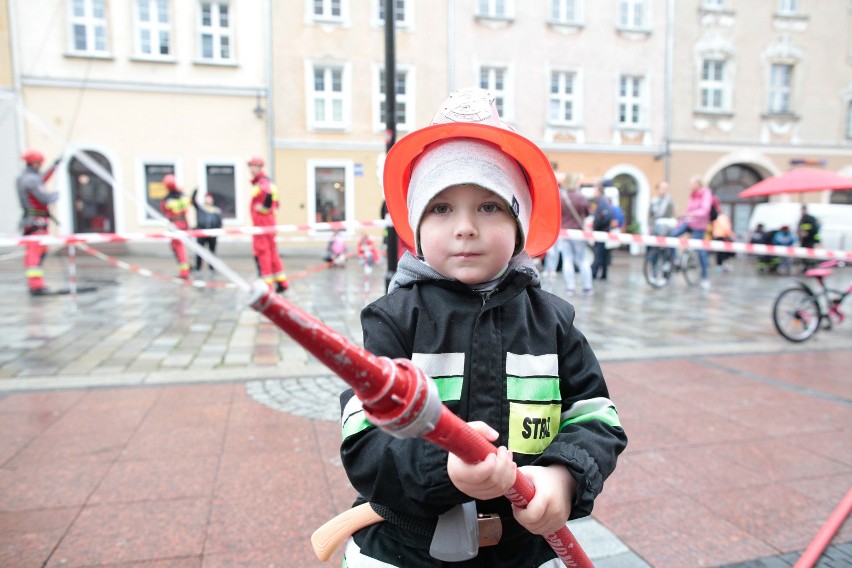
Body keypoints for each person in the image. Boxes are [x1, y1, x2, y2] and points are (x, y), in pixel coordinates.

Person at [339, 88, 627, 567]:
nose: (465, 227)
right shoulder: (392, 319)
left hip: (525, 552)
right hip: (405, 550)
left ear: (519, 223)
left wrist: (562, 475)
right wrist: (443, 469)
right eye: (441, 208)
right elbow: (364, 440)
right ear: (413, 223)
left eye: (490, 206)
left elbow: (596, 418)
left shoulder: (553, 320)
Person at [17, 150, 59, 296]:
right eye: (40, 163)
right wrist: (54, 195)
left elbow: (41, 179)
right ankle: (36, 285)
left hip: (35, 220)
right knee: (35, 254)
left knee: (39, 252)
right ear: (35, 163)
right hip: (36, 221)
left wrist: (54, 167)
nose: (41, 165)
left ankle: (37, 284)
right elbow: (43, 198)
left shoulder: (28, 177)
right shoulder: (30, 179)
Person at [545, 178, 593, 295]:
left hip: (565, 232)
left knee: (567, 260)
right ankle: (587, 287)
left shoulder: (561, 197)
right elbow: (588, 213)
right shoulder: (581, 197)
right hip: (578, 233)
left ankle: (570, 288)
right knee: (582, 260)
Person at [248, 156, 289, 292]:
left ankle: (267, 286)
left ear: (259, 167)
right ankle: (282, 282)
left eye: (253, 166)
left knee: (263, 253)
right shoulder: (267, 182)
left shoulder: (262, 183)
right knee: (272, 253)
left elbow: (269, 197)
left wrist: (263, 208)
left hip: (262, 225)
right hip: (268, 224)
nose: (251, 169)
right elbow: (277, 203)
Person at [669, 175, 713, 289]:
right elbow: (688, 209)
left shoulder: (705, 193)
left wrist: (692, 214)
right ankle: (676, 260)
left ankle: (705, 276)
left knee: (700, 249)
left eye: (692, 183)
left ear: (698, 184)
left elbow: (705, 210)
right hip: (689, 222)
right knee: (672, 236)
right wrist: (680, 222)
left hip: (699, 224)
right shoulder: (693, 194)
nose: (691, 186)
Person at [160, 174, 191, 280]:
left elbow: (164, 210)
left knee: (178, 247)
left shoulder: (167, 200)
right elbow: (187, 206)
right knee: (179, 247)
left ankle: (184, 271)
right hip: (184, 223)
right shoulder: (183, 197)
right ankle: (185, 267)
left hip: (175, 225)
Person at [191, 188, 223, 271]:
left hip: (212, 233)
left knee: (212, 251)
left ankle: (211, 267)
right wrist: (195, 192)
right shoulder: (201, 208)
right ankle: (198, 267)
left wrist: (217, 231)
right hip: (201, 232)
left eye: (210, 198)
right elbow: (193, 201)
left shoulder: (216, 210)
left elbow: (219, 222)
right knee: (199, 251)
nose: (208, 200)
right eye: (207, 198)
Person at [590, 179, 614, 281]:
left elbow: (605, 217)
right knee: (603, 255)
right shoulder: (602, 202)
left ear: (599, 192)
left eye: (595, 191)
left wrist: (597, 225)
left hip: (601, 232)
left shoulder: (602, 203)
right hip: (602, 231)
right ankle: (603, 275)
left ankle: (594, 274)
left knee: (599, 254)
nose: (594, 193)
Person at [710, 202, 735, 272]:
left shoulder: (717, 218)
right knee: (723, 253)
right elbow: (726, 228)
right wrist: (730, 235)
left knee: (719, 253)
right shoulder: (724, 218)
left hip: (717, 236)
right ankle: (721, 266)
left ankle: (719, 266)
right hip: (723, 237)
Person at [797, 205, 821, 272]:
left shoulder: (810, 218)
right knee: (803, 254)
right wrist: (799, 234)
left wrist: (818, 241)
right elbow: (799, 229)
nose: (802, 211)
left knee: (810, 254)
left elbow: (815, 230)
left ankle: (811, 267)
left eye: (803, 210)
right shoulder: (801, 219)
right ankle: (805, 267)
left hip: (810, 240)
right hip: (803, 241)